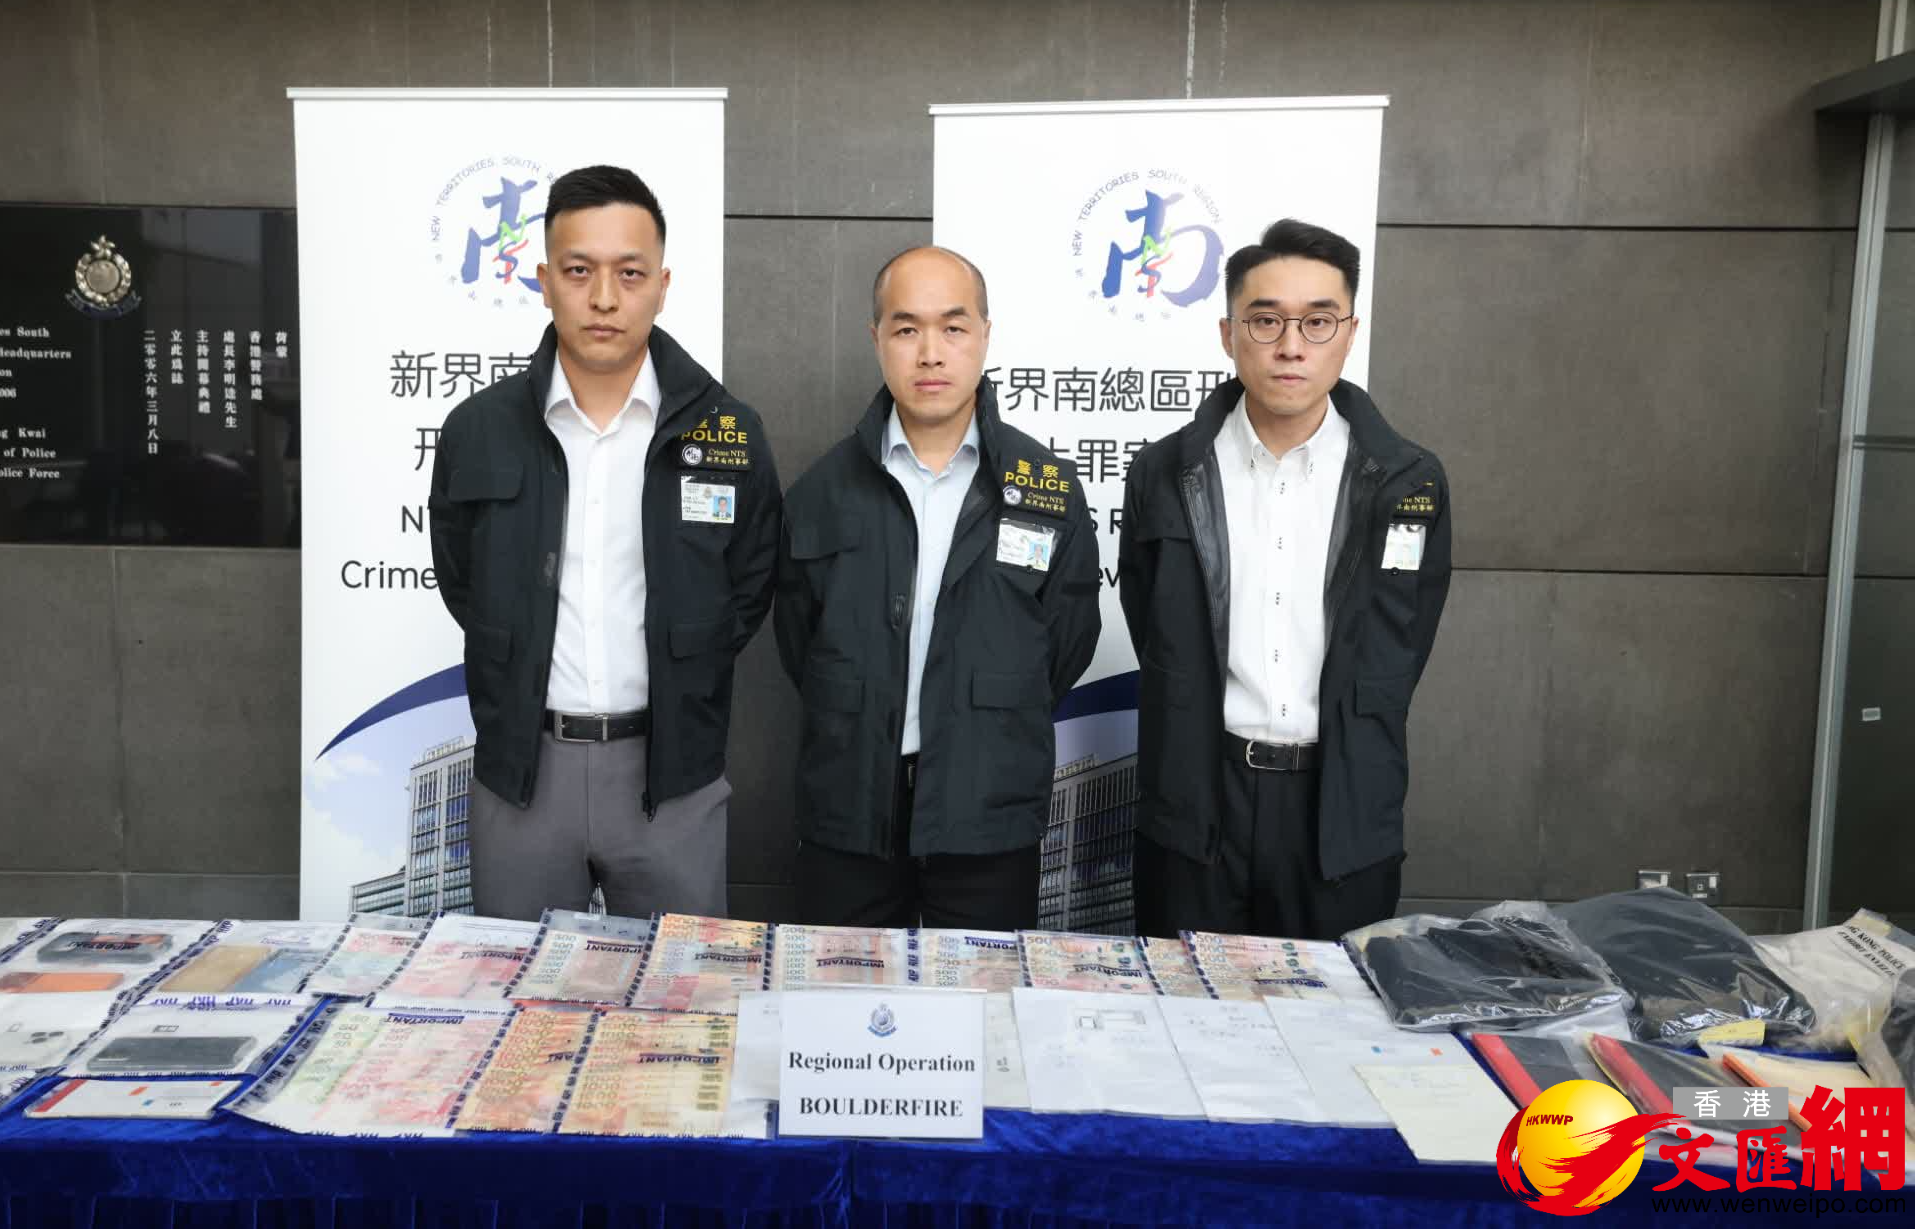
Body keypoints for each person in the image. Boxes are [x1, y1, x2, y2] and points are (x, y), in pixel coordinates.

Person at [428, 164, 780, 921]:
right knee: (517, 981)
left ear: (663, 285)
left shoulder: (726, 432)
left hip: (671, 774)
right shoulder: (478, 430)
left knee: (681, 986)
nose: (605, 298)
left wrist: (686, 669)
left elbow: (750, 583)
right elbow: (462, 578)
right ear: (544, 282)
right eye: (579, 271)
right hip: (524, 773)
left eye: (630, 272)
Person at [1119, 218, 1451, 940]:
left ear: (1350, 333)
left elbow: (1407, 639)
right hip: (1199, 801)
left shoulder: (1405, 480)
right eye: (1266, 320)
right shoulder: (1165, 472)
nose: (1291, 345)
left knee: (1335, 1003)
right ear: (1227, 333)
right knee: (1187, 1000)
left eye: (1318, 321)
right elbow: (1148, 618)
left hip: (1340, 807)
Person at [775, 245, 1101, 930]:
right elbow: (801, 642)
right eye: (906, 329)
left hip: (987, 810)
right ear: (876, 338)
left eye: (953, 328)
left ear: (985, 334)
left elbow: (1066, 643)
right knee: (842, 992)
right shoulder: (821, 492)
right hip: (850, 811)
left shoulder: (1045, 491)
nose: (930, 353)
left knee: (985, 994)